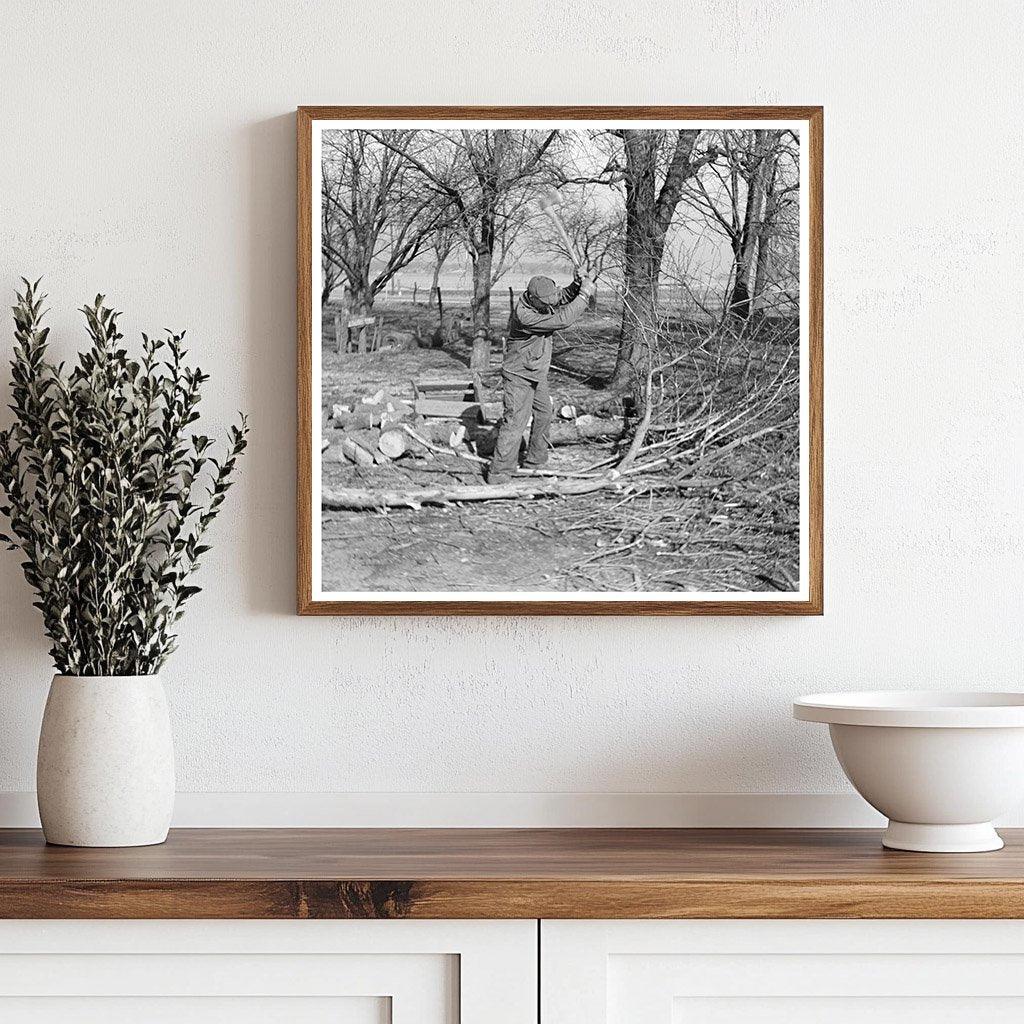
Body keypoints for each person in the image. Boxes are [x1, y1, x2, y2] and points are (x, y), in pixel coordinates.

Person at [487, 270, 596, 485]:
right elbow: (563, 319)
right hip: (519, 373)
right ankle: (499, 471)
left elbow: (560, 297)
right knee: (515, 421)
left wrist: (576, 284)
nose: (550, 303)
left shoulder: (538, 301)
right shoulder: (525, 315)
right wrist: (584, 295)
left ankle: (535, 460)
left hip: (536, 370)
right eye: (545, 301)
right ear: (533, 299)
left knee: (545, 413)